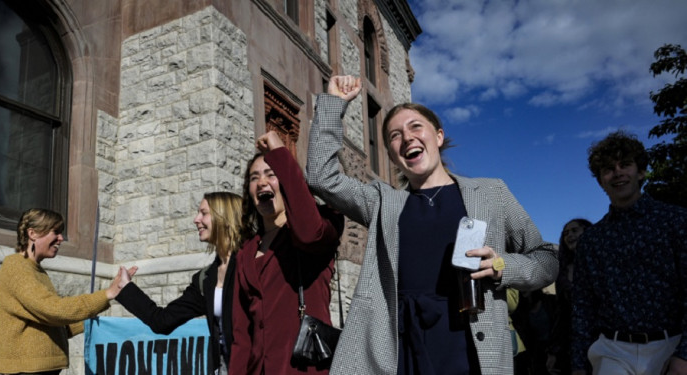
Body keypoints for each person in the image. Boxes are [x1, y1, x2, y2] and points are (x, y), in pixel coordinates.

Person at [305, 75, 558, 374]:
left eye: (415, 127)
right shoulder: (383, 202)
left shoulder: (491, 193)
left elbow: (547, 258)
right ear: (392, 155)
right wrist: (334, 104)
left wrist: (504, 267)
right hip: (401, 347)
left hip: (469, 344)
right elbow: (321, 177)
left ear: (438, 137)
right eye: (395, 135)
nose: (407, 137)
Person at [571, 131, 687, 375]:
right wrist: (579, 365)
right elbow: (583, 307)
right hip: (613, 352)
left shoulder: (675, 221)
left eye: (625, 164)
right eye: (608, 169)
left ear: (641, 171)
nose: (617, 173)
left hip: (670, 346)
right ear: (601, 180)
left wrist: (684, 354)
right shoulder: (592, 240)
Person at [228, 131, 344, 375]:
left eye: (272, 175)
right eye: (254, 177)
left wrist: (281, 151)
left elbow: (309, 233)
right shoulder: (245, 252)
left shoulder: (323, 225)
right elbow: (242, 334)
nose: (262, 183)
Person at [116, 192, 244, 375]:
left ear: (224, 216)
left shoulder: (253, 264)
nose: (196, 219)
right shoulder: (205, 279)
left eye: (204, 213)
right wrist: (126, 288)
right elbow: (163, 321)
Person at [0, 208, 130, 375]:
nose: (61, 238)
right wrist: (107, 294)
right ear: (32, 234)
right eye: (55, 232)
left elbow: (51, 323)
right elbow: (53, 310)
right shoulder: (17, 268)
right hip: (24, 371)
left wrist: (88, 318)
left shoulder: (35, 270)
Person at [547, 218, 591, 374]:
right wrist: (554, 350)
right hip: (571, 340)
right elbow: (561, 311)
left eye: (574, 230)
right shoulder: (562, 272)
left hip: (601, 338)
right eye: (565, 233)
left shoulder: (602, 263)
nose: (569, 236)